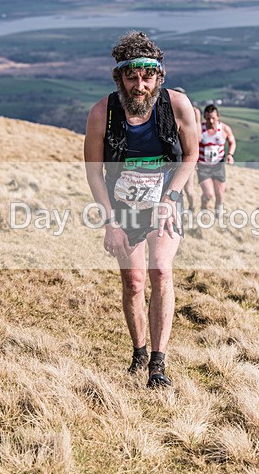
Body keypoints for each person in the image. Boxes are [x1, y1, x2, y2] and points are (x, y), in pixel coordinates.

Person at [84, 31, 198, 389]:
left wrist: (172, 198)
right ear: (119, 77)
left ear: (158, 77)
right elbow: (93, 171)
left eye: (147, 77)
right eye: (131, 77)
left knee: (160, 271)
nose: (139, 86)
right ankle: (138, 352)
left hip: (164, 202)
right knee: (133, 282)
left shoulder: (178, 105)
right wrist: (110, 222)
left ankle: (158, 364)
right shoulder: (102, 112)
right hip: (123, 206)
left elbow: (191, 156)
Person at [197, 104, 236, 213]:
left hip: (218, 166)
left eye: (213, 118)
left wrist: (230, 154)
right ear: (205, 117)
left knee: (220, 195)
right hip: (203, 166)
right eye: (208, 118)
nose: (211, 121)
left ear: (218, 116)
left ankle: (218, 217)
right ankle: (203, 206)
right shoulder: (200, 129)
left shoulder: (224, 129)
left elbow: (232, 142)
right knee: (209, 194)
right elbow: (192, 145)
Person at [171, 87, 201, 211]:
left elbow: (197, 137)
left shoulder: (194, 112)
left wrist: (194, 158)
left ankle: (192, 208)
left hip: (186, 156)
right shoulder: (168, 111)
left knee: (188, 189)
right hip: (173, 157)